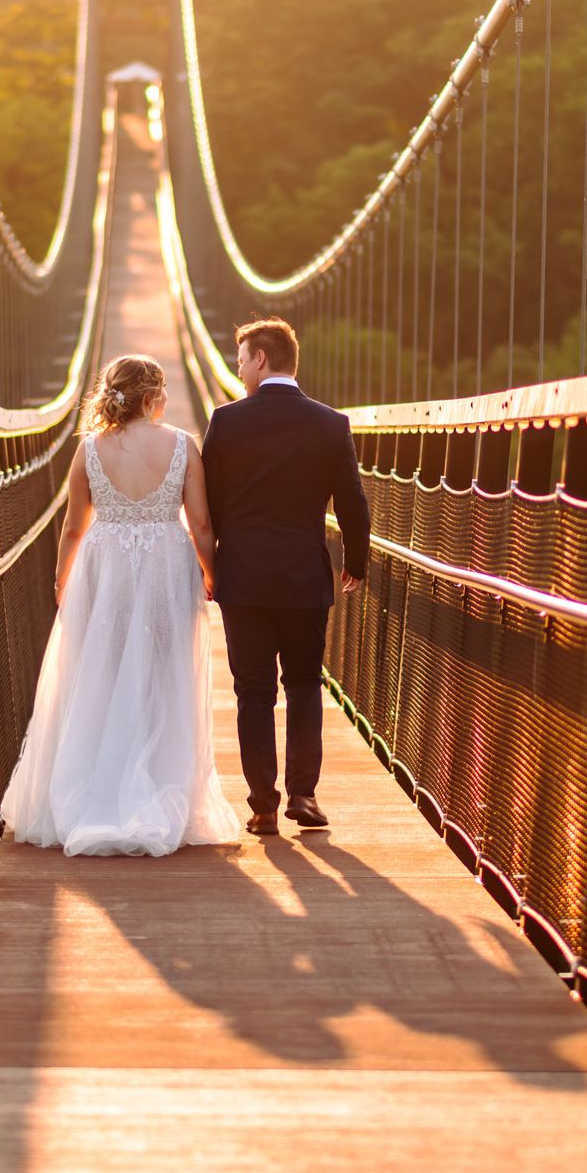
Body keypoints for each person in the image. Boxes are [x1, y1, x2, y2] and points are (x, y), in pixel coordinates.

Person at [0, 354, 239, 856]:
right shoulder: (182, 445)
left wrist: (63, 581)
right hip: (166, 567)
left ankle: (99, 790)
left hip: (103, 567)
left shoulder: (89, 448)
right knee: (163, 673)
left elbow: (71, 527)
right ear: (152, 394)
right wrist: (212, 574)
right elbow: (200, 526)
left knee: (100, 674)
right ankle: (156, 786)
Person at [200, 319, 371, 836]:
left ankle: (263, 806)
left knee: (253, 692)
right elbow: (353, 507)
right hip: (303, 579)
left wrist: (210, 567)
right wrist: (356, 563)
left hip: (244, 580)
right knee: (303, 684)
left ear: (260, 360)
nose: (238, 371)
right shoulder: (330, 424)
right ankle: (304, 794)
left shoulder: (226, 423)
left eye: (240, 361)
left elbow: (206, 505)